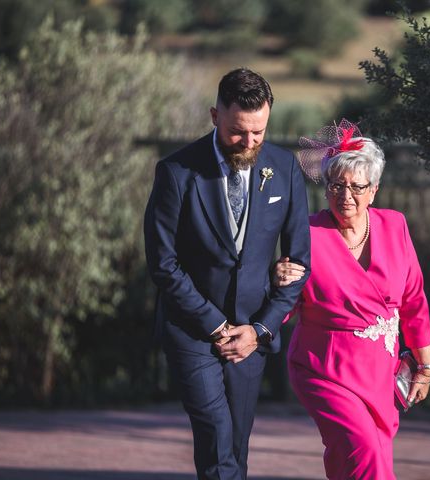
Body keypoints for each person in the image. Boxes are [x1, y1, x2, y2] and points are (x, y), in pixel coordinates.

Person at [144, 68, 311, 480]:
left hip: (252, 335)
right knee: (216, 434)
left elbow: (299, 265)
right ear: (215, 115)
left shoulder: (284, 168)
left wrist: (260, 330)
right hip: (192, 330)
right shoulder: (177, 172)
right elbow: (163, 264)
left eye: (259, 132)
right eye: (239, 131)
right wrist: (216, 326)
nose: (250, 142)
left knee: (235, 446)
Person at [273, 119, 430, 479]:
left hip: (380, 372)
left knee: (353, 457)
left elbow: (413, 300)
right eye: (336, 185)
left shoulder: (395, 225)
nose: (345, 196)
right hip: (323, 370)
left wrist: (426, 366)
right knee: (363, 449)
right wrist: (278, 282)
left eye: (357, 187)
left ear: (374, 189)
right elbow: (286, 308)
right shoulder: (308, 233)